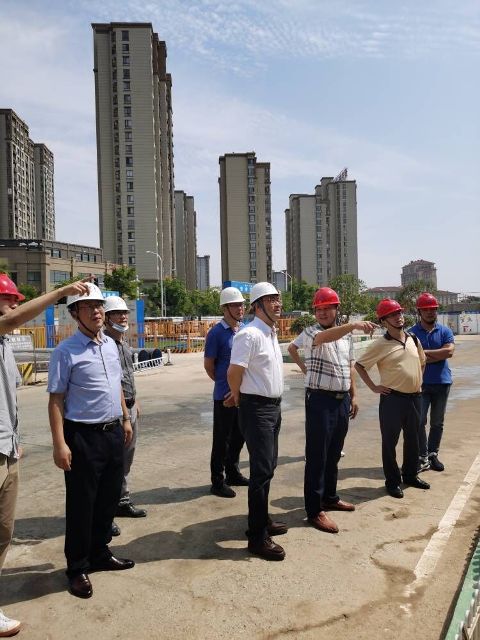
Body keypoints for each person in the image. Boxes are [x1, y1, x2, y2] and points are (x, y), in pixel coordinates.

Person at [0, 274, 90, 636]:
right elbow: (11, 320)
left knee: (3, 532)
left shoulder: (5, 344)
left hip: (7, 449)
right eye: (8, 297)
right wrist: (63, 292)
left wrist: (15, 440)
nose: (14, 304)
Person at [47, 283, 135, 599]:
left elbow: (116, 386)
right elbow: (56, 400)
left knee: (108, 499)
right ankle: (77, 567)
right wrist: (60, 444)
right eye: (89, 307)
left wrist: (125, 419)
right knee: (82, 505)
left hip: (113, 432)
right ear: (75, 313)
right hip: (82, 436)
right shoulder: (65, 351)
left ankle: (99, 552)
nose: (97, 311)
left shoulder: (110, 345)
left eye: (99, 306)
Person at [288, 287, 377, 534]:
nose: (323, 313)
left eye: (328, 308)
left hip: (340, 400)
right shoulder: (311, 332)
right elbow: (321, 339)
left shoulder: (346, 338)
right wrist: (353, 326)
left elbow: (349, 366)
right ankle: (314, 510)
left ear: (337, 309)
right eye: (319, 309)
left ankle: (329, 497)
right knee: (317, 456)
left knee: (334, 452)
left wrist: (354, 395)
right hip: (319, 400)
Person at [227, 282, 287, 561]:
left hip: (272, 408)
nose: (277, 303)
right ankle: (257, 537)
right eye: (271, 299)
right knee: (261, 472)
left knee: (268, 467)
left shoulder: (270, 332)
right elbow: (234, 372)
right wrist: (238, 397)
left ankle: (262, 519)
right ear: (257, 305)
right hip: (257, 409)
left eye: (278, 298)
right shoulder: (249, 334)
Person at [355, 299, 430, 498]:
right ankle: (392, 481)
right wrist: (374, 387)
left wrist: (419, 380)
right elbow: (359, 366)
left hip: (415, 398)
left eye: (399, 313)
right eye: (392, 315)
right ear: (383, 321)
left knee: (413, 440)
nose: (398, 317)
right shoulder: (380, 344)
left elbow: (422, 361)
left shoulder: (413, 339)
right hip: (392, 400)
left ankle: (410, 475)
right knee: (390, 442)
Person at [104, 296, 147, 518]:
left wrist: (134, 401)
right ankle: (110, 506)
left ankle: (121, 500)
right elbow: (113, 383)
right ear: (106, 318)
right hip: (116, 412)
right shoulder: (105, 345)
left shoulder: (124, 344)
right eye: (117, 313)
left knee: (126, 458)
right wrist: (124, 416)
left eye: (124, 313)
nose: (122, 317)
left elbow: (128, 377)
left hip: (129, 407)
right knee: (114, 460)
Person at [204, 287, 249, 498]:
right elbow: (209, 366)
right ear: (225, 308)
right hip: (224, 396)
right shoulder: (216, 333)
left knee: (239, 436)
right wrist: (227, 385)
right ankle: (217, 481)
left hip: (243, 394)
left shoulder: (244, 329)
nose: (240, 308)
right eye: (235, 305)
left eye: (241, 304)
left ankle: (233, 473)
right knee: (222, 440)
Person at [409, 293, 454, 472]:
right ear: (419, 312)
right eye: (425, 309)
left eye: (433, 309)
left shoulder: (445, 331)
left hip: (442, 383)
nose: (430, 312)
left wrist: (424, 354)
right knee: (419, 422)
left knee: (437, 422)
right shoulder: (411, 334)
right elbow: (412, 358)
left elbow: (449, 352)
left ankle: (433, 453)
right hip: (420, 384)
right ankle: (422, 455)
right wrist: (438, 353)